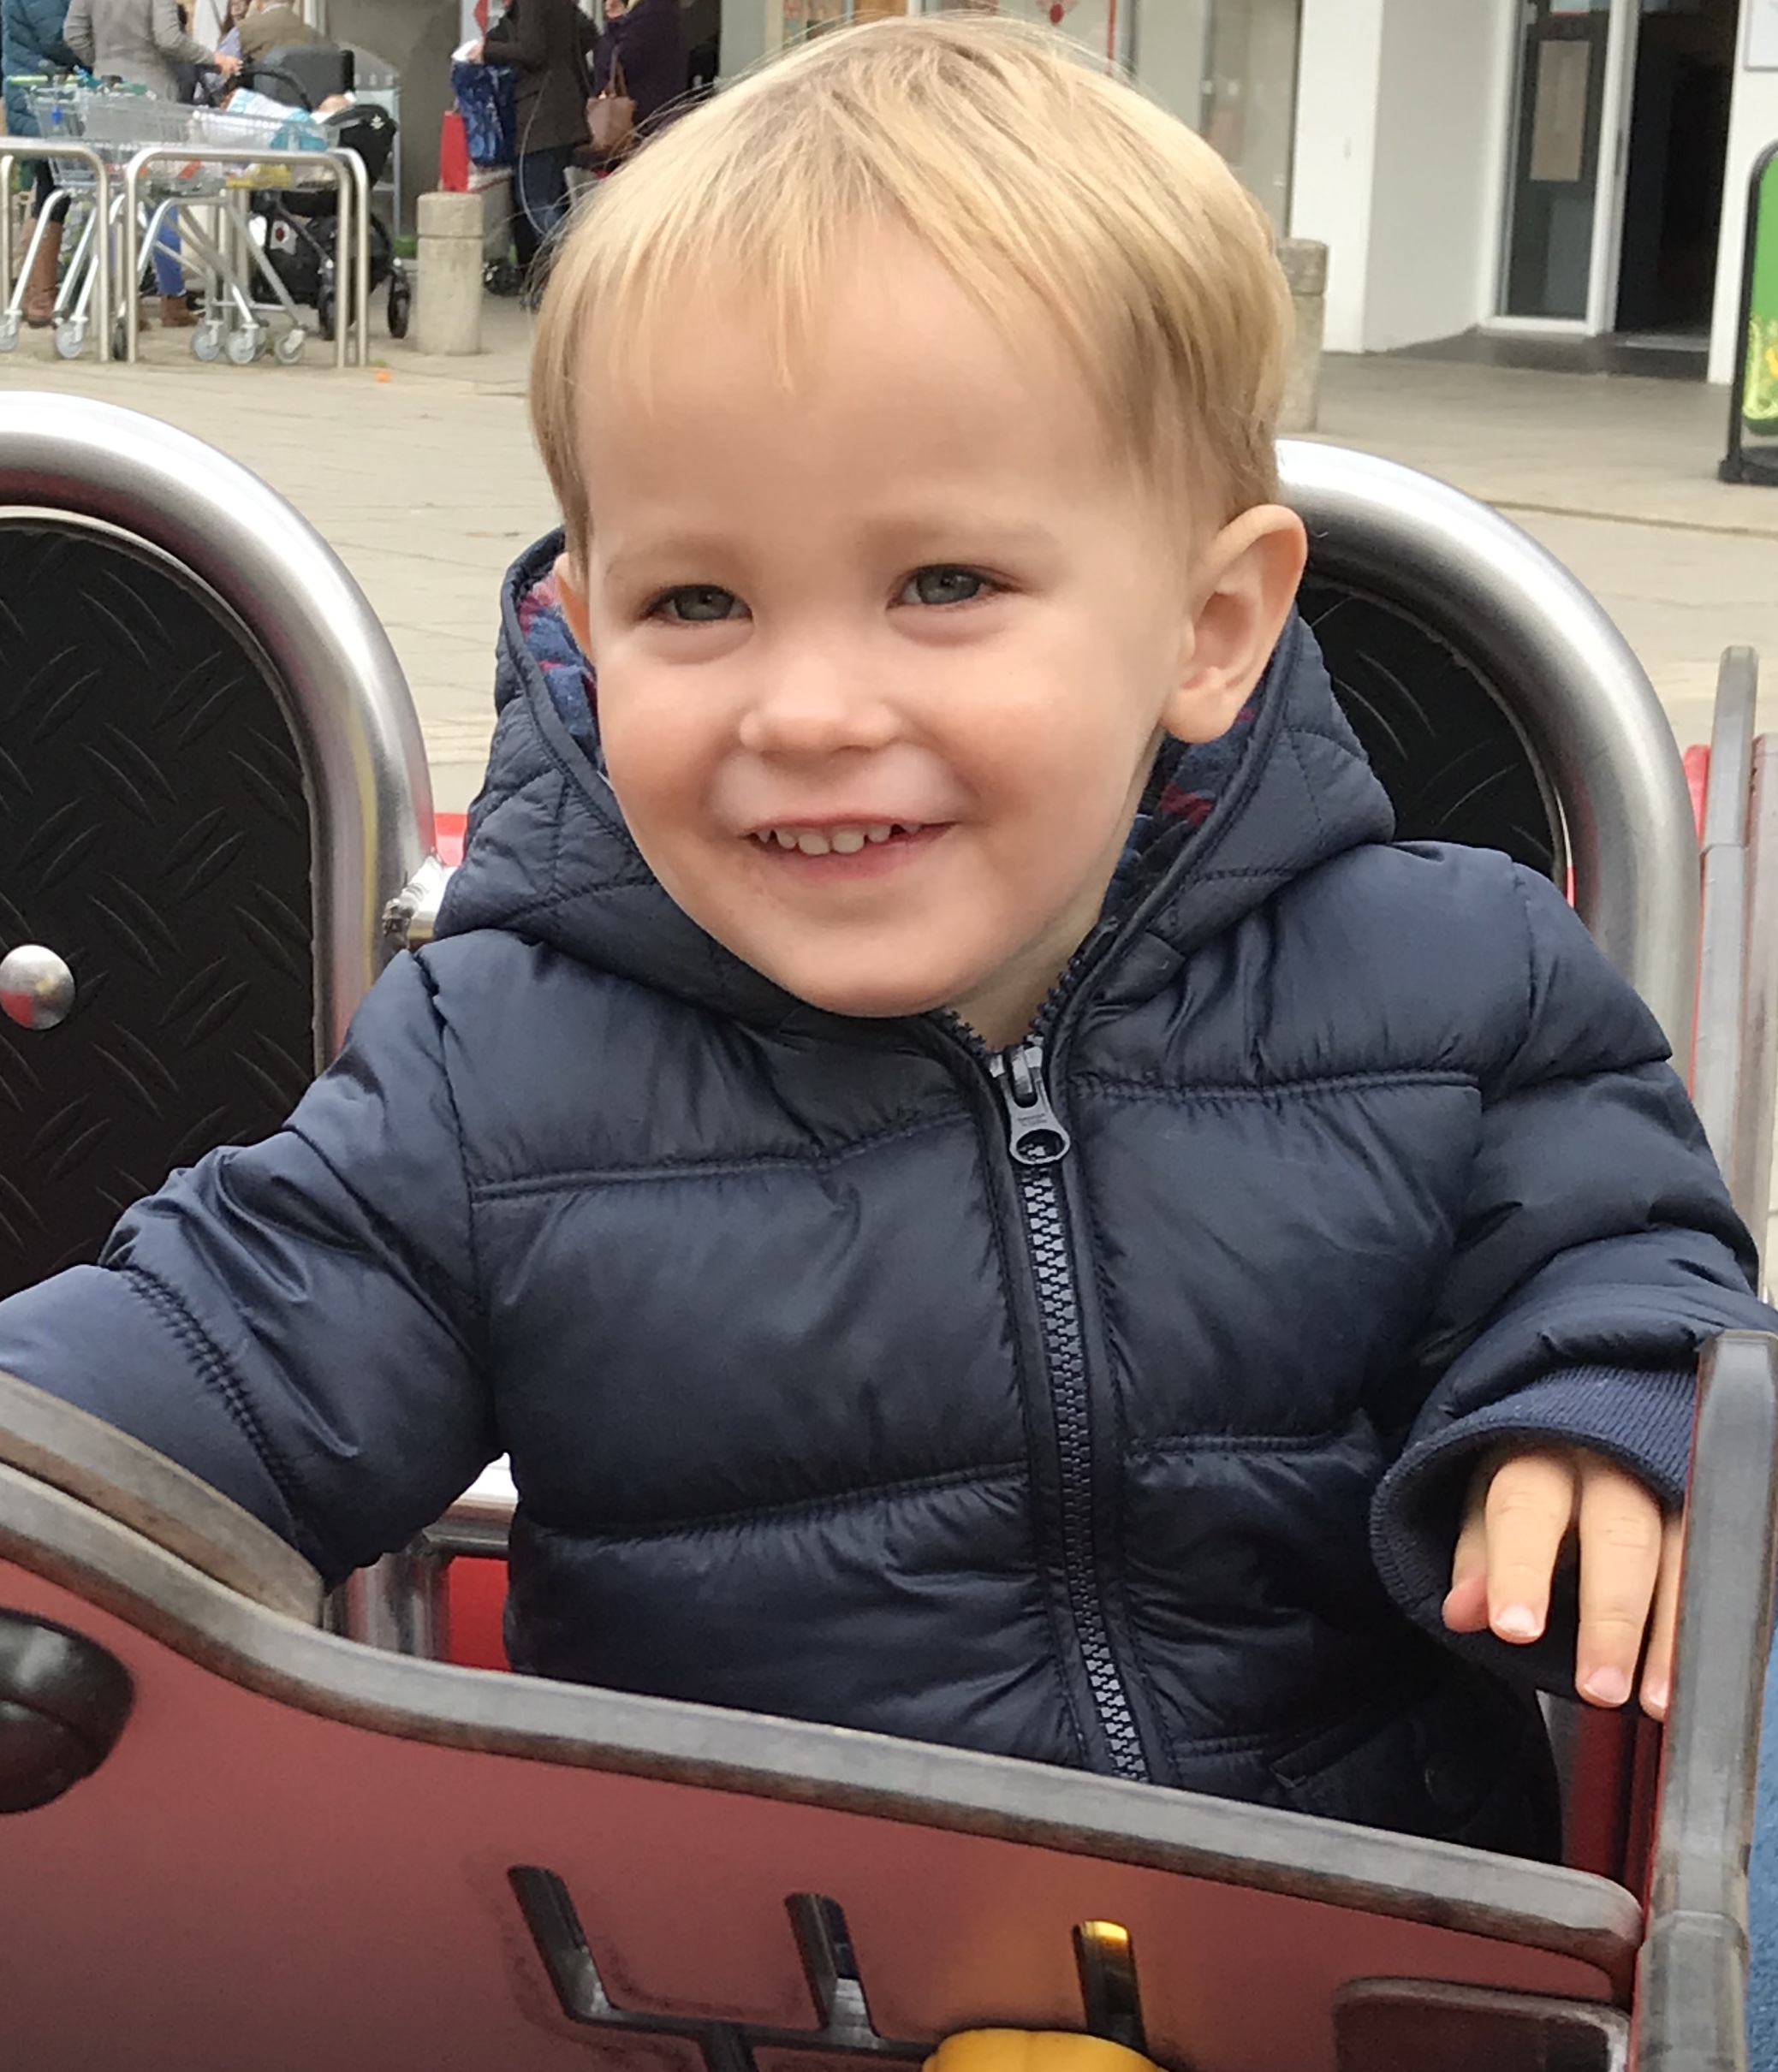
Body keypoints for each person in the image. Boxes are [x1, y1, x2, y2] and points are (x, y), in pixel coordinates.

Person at [0, 15, 1770, 1857]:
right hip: (736, 1958)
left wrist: (1598, 1411)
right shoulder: (498, 1070)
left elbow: (1624, 1255)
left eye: (942, 583)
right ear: (588, 635)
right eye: (700, 601)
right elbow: (213, 1344)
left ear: (1209, 629)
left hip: (1330, 1934)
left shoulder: (1455, 981)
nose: (811, 709)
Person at [63, 0, 239, 324]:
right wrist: (213, 58)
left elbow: (73, 34)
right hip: (152, 97)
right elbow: (168, 39)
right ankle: (173, 300)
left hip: (107, 94)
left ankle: (120, 300)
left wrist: (105, 63)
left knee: (114, 201)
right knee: (161, 199)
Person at [481, 0, 594, 279]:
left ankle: (574, 270)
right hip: (564, 108)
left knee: (536, 201)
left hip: (540, 112)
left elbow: (532, 51)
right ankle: (570, 271)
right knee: (552, 197)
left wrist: (486, 50)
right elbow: (588, 32)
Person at [1, 0, 79, 325]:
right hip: (42, 93)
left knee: (50, 192)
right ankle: (39, 294)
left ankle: (37, 290)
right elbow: (57, 37)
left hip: (39, 88)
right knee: (51, 192)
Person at [589, 0, 682, 140]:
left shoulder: (652, 14)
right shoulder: (661, 12)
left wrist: (614, 22)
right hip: (653, 113)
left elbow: (615, 60)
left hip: (640, 118)